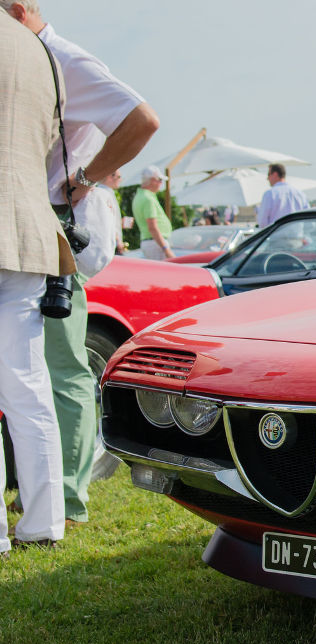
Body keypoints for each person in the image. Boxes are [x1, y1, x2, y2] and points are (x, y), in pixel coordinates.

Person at [6, 0, 160, 525]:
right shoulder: (39, 56)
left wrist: (88, 178)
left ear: (20, 10)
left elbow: (142, 119)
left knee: (60, 366)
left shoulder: (62, 58)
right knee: (43, 368)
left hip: (52, 226)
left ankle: (67, 497)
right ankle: (51, 495)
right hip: (38, 224)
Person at [0, 13, 66, 552]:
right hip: (26, 227)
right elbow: (47, 141)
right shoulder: (42, 52)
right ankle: (43, 525)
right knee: (28, 386)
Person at [132, 165, 173, 260]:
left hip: (152, 242)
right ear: (153, 180)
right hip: (156, 243)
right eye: (159, 180)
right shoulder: (148, 198)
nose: (161, 183)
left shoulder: (140, 196)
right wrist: (165, 249)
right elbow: (152, 227)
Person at [101, 169, 125, 254]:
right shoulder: (105, 193)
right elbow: (108, 220)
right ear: (109, 177)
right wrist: (118, 240)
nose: (120, 180)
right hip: (112, 244)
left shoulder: (106, 192)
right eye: (119, 177)